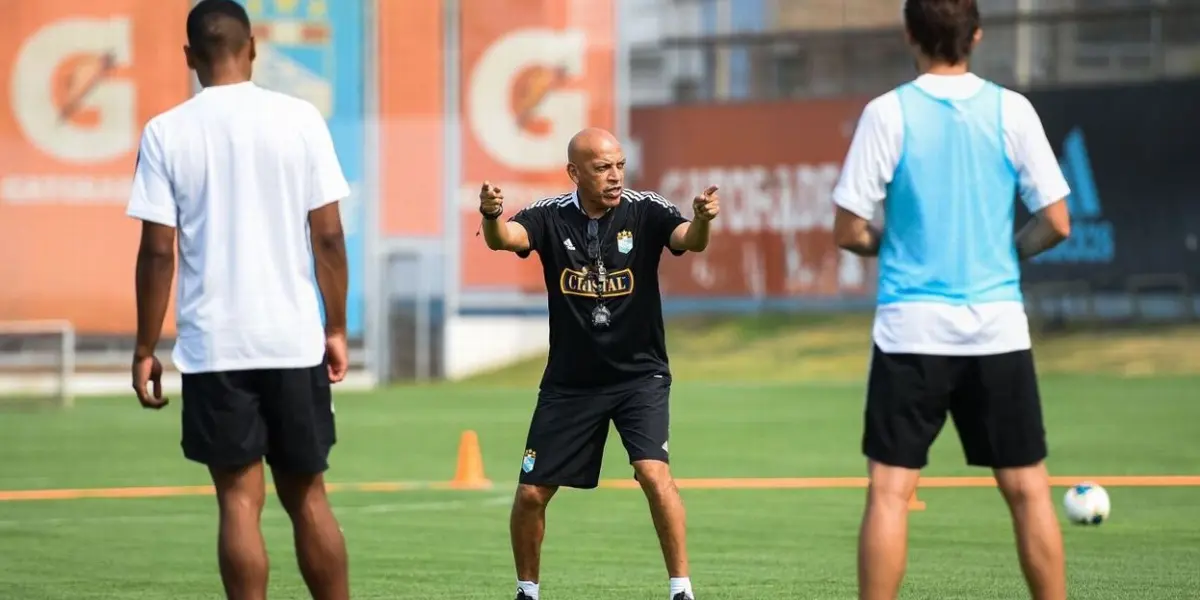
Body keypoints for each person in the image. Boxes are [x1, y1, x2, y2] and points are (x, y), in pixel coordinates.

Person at [832, 1, 1074, 599]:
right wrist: (1004, 254)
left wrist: (894, 246)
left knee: (890, 491)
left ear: (910, 33)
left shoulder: (886, 113)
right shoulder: (1011, 109)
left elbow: (849, 230)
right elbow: (1058, 223)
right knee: (1027, 490)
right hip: (997, 327)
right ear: (978, 35)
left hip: (911, 329)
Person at [126, 2, 351, 599]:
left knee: (237, 500)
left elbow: (157, 252)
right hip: (292, 337)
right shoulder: (300, 118)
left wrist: (146, 347)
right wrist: (336, 328)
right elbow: (327, 235)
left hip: (214, 346)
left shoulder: (165, 131)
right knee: (307, 495)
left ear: (189, 57)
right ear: (253, 46)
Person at [479, 127, 718, 600]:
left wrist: (702, 219)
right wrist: (490, 215)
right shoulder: (549, 216)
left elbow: (690, 241)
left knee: (653, 473)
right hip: (571, 384)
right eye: (602, 168)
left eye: (619, 165)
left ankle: (682, 590)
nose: (615, 176)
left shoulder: (646, 209)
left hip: (639, 377)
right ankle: (527, 591)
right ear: (575, 173)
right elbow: (503, 238)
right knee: (531, 495)